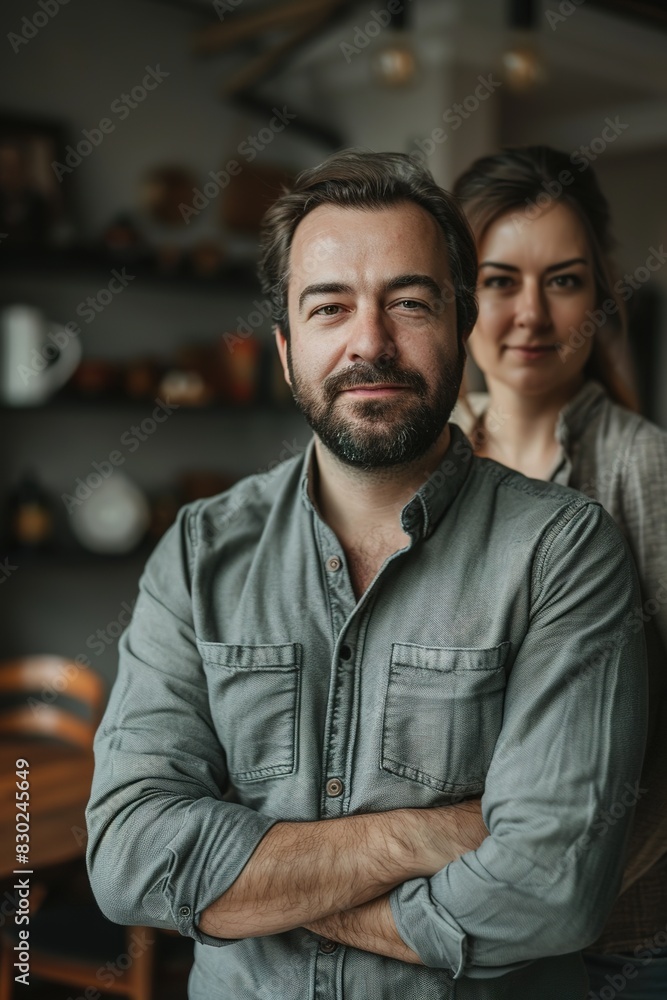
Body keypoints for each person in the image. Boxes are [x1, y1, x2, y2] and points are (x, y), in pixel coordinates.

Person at [86, 149, 648, 1000]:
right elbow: (128, 856)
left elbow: (550, 891)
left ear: (459, 324)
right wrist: (418, 841)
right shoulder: (199, 553)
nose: (369, 343)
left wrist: (255, 889)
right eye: (329, 306)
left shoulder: (563, 551)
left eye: (410, 303)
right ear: (284, 348)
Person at [452, 145, 667, 997]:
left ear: (600, 292)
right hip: (443, 936)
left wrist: (557, 892)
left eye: (564, 281)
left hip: (615, 944)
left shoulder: (645, 469)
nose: (530, 314)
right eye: (499, 280)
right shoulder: (421, 462)